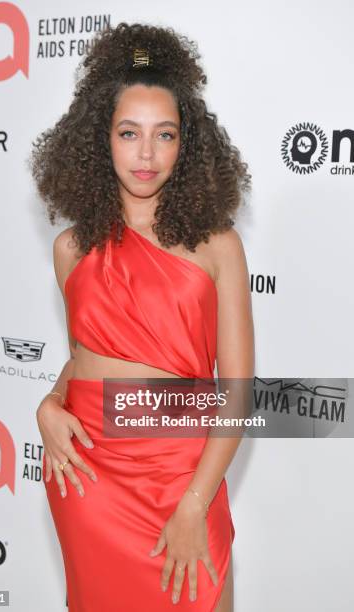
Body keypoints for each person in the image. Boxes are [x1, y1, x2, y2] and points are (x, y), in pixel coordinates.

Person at [29, 21, 254, 612]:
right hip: (89, 473)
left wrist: (192, 504)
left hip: (183, 472)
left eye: (165, 135)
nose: (147, 154)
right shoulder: (72, 248)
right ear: (101, 140)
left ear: (188, 144)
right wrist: (49, 406)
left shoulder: (218, 246)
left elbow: (235, 395)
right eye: (129, 133)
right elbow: (85, 355)